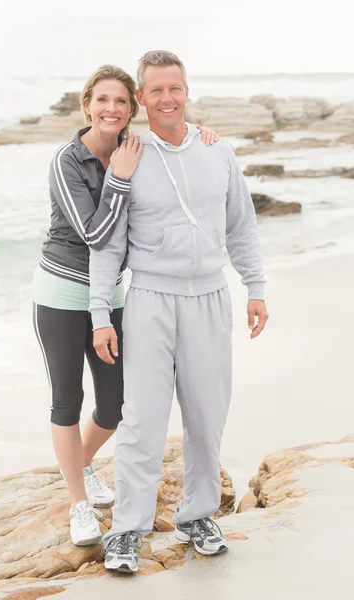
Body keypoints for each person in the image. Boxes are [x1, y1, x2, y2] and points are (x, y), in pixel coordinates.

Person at [89, 50, 269, 573]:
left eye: (176, 88)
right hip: (148, 300)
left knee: (206, 417)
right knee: (142, 422)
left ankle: (197, 516)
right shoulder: (128, 157)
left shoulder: (219, 151)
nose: (167, 99)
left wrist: (255, 287)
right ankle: (127, 531)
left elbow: (242, 226)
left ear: (186, 91)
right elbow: (106, 248)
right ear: (141, 98)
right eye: (156, 91)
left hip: (211, 298)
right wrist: (102, 314)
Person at [33, 63, 219, 547]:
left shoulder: (133, 149)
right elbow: (96, 234)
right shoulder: (67, 161)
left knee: (116, 405)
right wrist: (118, 179)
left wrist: (202, 135)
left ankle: (82, 463)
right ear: (87, 105)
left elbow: (176, 154)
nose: (111, 109)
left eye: (120, 101)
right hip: (59, 293)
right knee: (67, 401)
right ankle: (78, 501)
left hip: (109, 295)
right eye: (102, 101)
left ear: (131, 107)